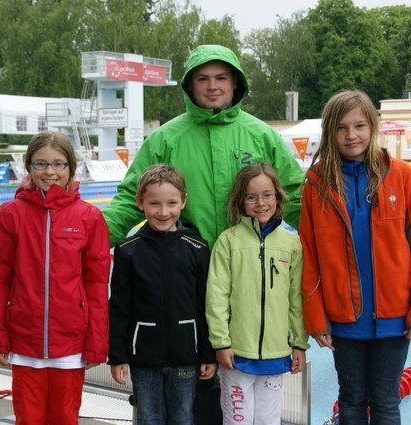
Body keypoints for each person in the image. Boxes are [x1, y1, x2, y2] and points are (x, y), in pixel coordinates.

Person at [299, 90, 411, 424]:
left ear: (372, 127)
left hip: (394, 318)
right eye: (342, 127)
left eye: (360, 125)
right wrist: (316, 319)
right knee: (350, 402)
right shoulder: (316, 184)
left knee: (387, 402)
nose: (352, 135)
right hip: (344, 321)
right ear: (329, 131)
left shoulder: (402, 176)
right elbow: (309, 258)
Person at [102, 44, 304, 249]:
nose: (212, 86)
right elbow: (130, 199)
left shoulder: (262, 135)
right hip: (187, 268)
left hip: (250, 267)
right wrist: (89, 237)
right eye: (202, 79)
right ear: (190, 84)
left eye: (221, 78)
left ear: (235, 82)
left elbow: (296, 198)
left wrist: (325, 242)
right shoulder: (164, 139)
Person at [0, 131, 111, 425]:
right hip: (24, 340)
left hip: (71, 342)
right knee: (28, 419)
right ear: (28, 167)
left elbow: (97, 285)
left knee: (66, 417)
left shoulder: (88, 217)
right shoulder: (10, 214)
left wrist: (96, 341)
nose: (50, 172)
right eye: (40, 164)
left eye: (58, 164)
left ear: (71, 169)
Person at [108, 164, 216, 425]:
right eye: (155, 203)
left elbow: (205, 305)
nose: (164, 212)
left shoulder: (197, 247)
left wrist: (208, 354)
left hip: (186, 357)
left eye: (171, 203)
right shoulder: (128, 250)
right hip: (143, 358)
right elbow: (119, 306)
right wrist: (118, 356)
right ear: (140, 202)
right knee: (149, 418)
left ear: (183, 201)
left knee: (183, 418)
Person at [206, 161, 309, 424]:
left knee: (268, 420)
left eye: (267, 195)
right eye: (251, 197)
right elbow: (216, 296)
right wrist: (221, 342)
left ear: (277, 196)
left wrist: (299, 343)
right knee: (238, 420)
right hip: (236, 353)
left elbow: (296, 298)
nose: (261, 203)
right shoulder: (228, 241)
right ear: (240, 201)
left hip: (276, 353)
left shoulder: (291, 243)